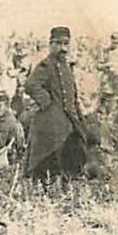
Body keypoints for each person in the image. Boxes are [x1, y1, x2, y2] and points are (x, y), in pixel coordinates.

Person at [23, 26, 89, 180]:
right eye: (58, 44)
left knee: (73, 158)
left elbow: (73, 95)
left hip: (69, 121)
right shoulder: (46, 65)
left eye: (66, 44)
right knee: (49, 161)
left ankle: (67, 192)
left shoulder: (67, 66)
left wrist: (79, 116)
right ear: (51, 44)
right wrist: (46, 102)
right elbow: (30, 85)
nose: (63, 48)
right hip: (51, 123)